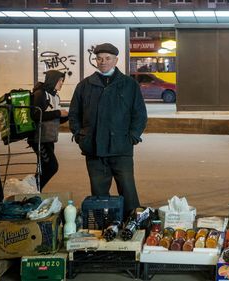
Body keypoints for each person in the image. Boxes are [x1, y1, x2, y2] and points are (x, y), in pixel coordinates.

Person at [69, 43, 148, 216]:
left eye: (107, 58)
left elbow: (140, 114)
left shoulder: (129, 84)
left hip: (121, 147)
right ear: (95, 60)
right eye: (99, 58)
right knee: (99, 194)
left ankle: (131, 223)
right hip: (94, 149)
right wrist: (80, 135)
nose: (103, 62)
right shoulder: (84, 86)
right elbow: (74, 114)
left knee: (128, 191)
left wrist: (133, 136)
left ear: (115, 60)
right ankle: (103, 224)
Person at [28, 70, 67, 190]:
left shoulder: (55, 96)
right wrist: (58, 112)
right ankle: (32, 190)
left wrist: (67, 116)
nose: (61, 83)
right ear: (53, 80)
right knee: (51, 166)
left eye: (62, 81)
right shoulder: (40, 94)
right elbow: (35, 115)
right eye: (60, 80)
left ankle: (32, 191)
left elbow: (54, 119)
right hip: (39, 138)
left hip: (48, 138)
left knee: (45, 167)